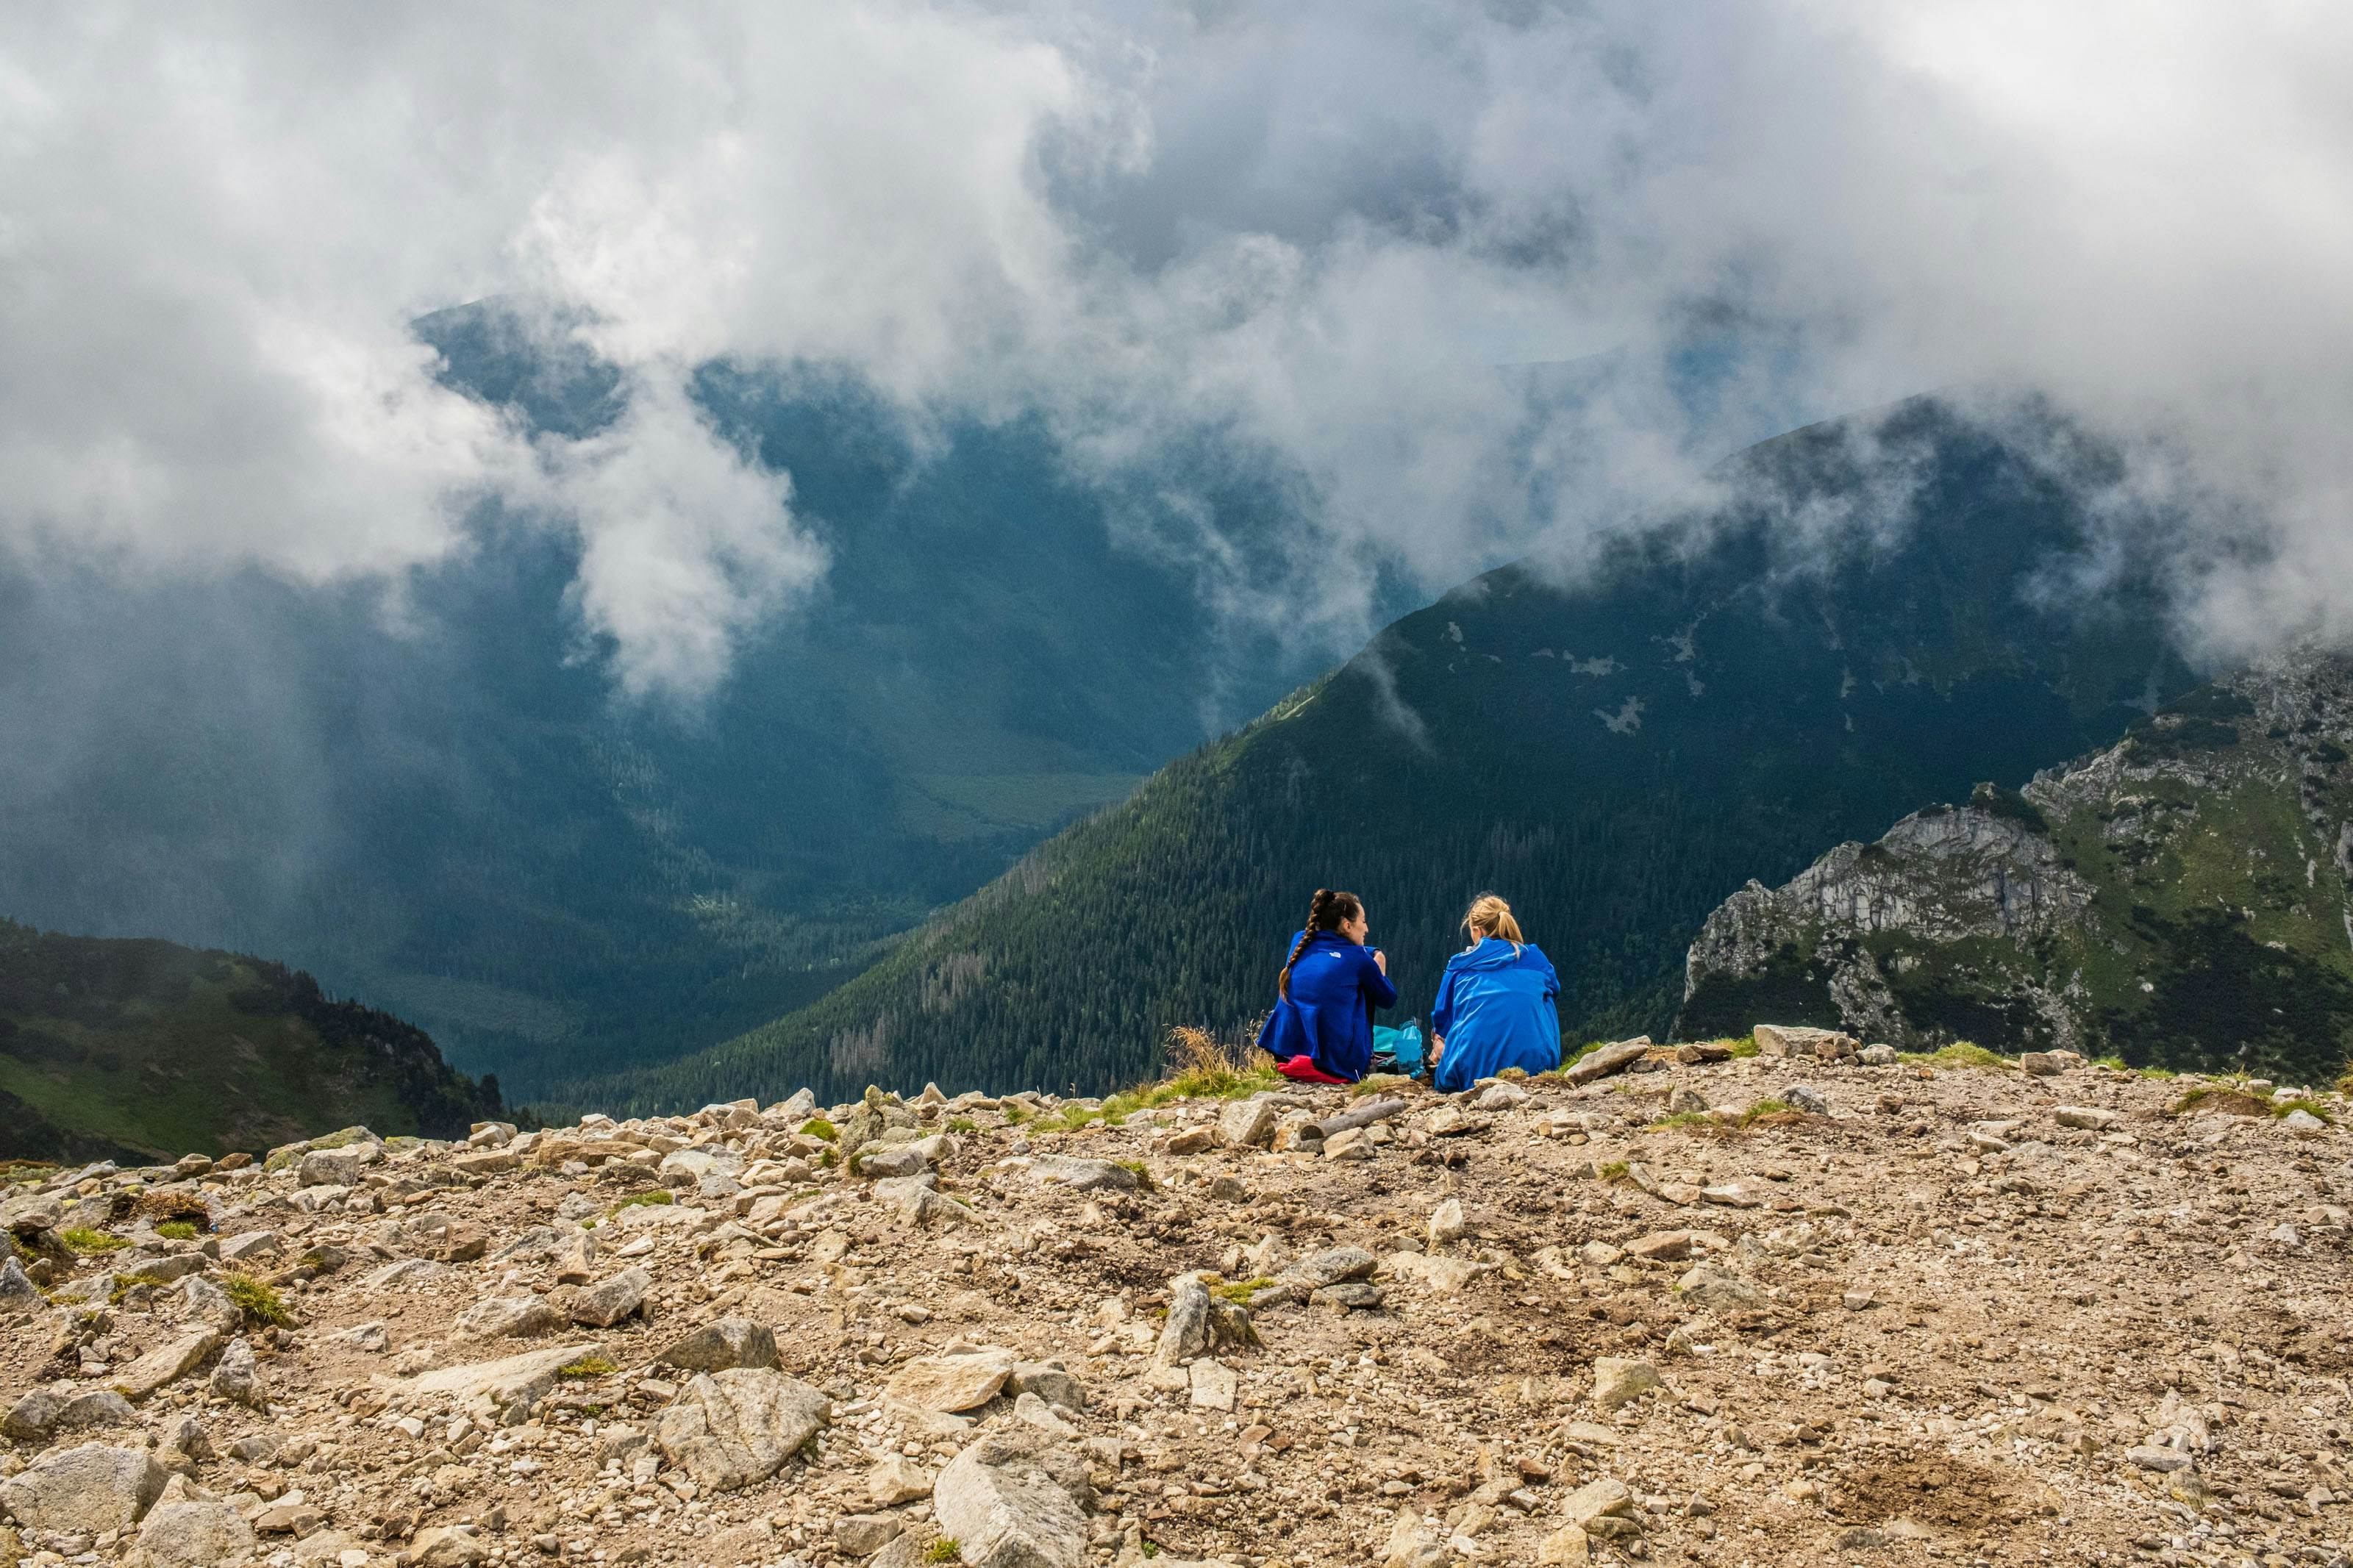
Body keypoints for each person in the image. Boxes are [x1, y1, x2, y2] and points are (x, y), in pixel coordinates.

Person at [1254, 888, 1396, 1084]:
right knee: (1365, 988)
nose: (1367, 929)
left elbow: (1337, 951)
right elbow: (1388, 999)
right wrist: (1378, 963)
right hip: (1332, 1063)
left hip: (1284, 1052)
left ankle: (1305, 1053)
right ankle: (1361, 1057)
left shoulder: (1300, 941)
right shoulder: (1360, 961)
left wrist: (1373, 951)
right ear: (1347, 925)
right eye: (1363, 922)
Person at [1429, 893, 1560, 1092]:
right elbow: (1555, 989)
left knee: (1447, 1032)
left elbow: (1442, 1022)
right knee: (1545, 997)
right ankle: (1546, 1060)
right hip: (1535, 1068)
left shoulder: (1460, 966)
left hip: (1471, 1074)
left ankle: (1458, 1065)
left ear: (1478, 931)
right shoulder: (1536, 958)